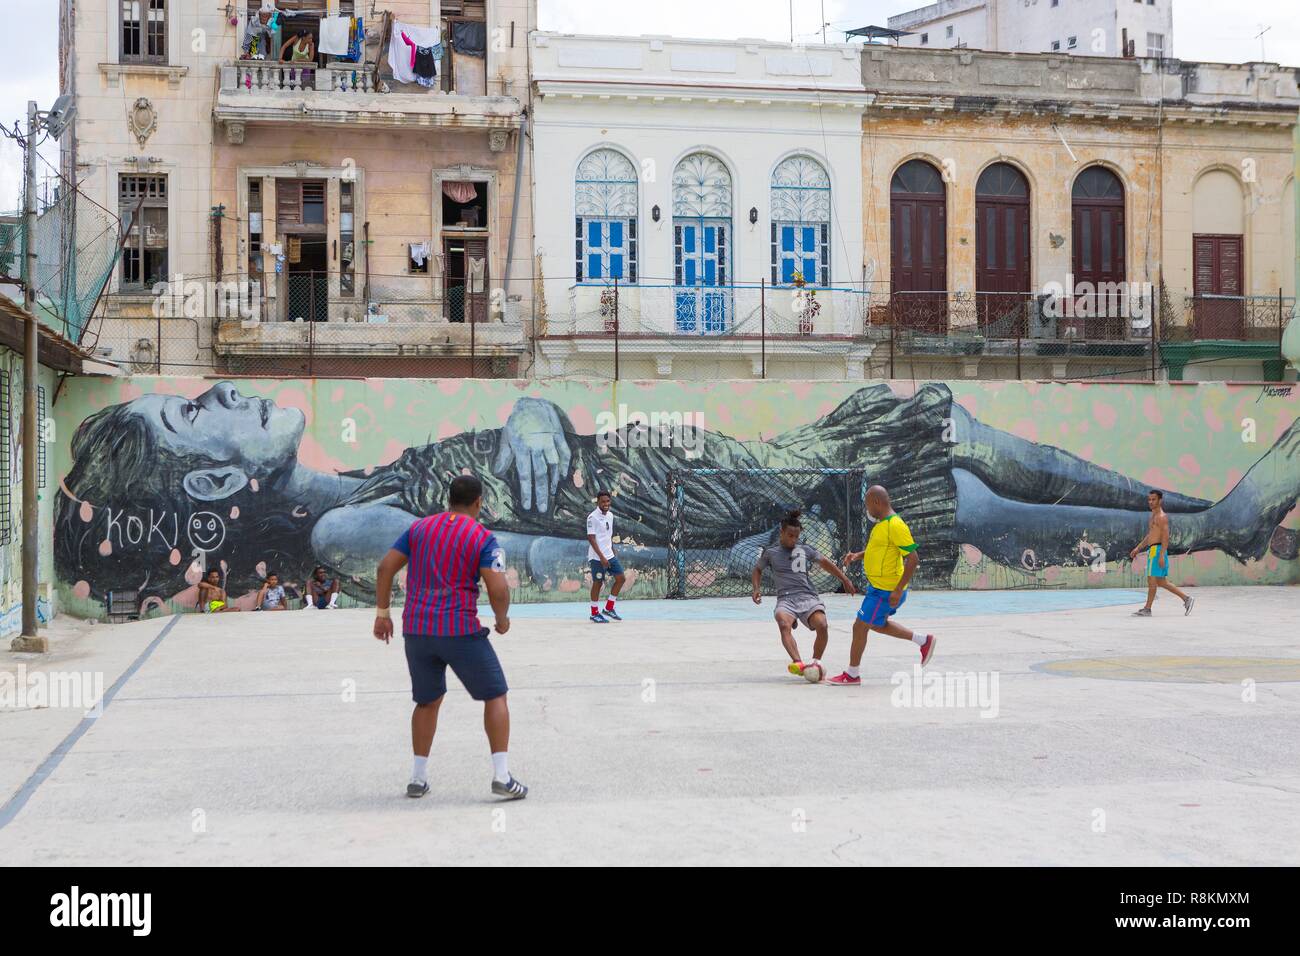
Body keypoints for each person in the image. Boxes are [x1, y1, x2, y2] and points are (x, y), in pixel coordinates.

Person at [55, 382, 1300, 608]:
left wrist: (539, 407)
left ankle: (1207, 520)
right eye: (196, 411)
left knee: (946, 491)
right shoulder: (345, 529)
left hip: (679, 483)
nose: (217, 390)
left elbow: (511, 462)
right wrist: (736, 554)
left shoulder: (363, 490)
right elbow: (524, 558)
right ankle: (1209, 519)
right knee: (925, 433)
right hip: (687, 501)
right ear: (218, 476)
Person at [373, 474, 527, 801]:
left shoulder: (418, 529)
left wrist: (382, 614)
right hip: (458, 630)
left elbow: (385, 567)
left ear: (448, 499)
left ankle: (417, 778)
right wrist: (502, 620)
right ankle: (501, 775)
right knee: (496, 695)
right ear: (479, 502)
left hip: (416, 630)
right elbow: (497, 588)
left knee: (427, 701)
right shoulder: (484, 537)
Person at [829, 486, 937, 686]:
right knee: (876, 624)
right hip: (878, 588)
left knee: (860, 626)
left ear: (877, 502)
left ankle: (852, 674)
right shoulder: (882, 525)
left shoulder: (896, 525)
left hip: (886, 591)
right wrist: (858, 555)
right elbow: (878, 549)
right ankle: (923, 641)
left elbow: (912, 559)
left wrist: (898, 589)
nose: (867, 509)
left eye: (868, 504)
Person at [753, 510, 857, 678]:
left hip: (808, 596)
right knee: (783, 624)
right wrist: (756, 588)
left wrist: (844, 579)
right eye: (790, 535)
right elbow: (757, 569)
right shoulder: (771, 553)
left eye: (796, 536)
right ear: (781, 532)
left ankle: (815, 664)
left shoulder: (805, 549)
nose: (793, 540)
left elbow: (825, 563)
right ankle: (798, 663)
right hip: (786, 599)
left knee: (822, 625)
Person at [1129, 490, 1194, 617]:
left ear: (1160, 501)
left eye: (1154, 499)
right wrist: (1138, 548)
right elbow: (1150, 536)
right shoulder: (1153, 516)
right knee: (1161, 582)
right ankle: (1187, 599)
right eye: (1149, 500)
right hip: (1152, 550)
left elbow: (1165, 537)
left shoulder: (1161, 517)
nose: (1151, 502)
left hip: (1158, 551)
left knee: (1151, 580)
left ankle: (1147, 609)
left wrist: (1162, 555)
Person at [586, 491, 625, 623]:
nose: (606, 504)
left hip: (610, 555)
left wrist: (612, 551)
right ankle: (594, 613)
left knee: (621, 579)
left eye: (608, 501)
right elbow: (591, 539)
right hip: (597, 557)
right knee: (598, 583)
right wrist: (602, 557)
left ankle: (609, 608)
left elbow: (608, 536)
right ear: (598, 502)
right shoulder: (592, 518)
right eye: (603, 501)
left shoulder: (610, 516)